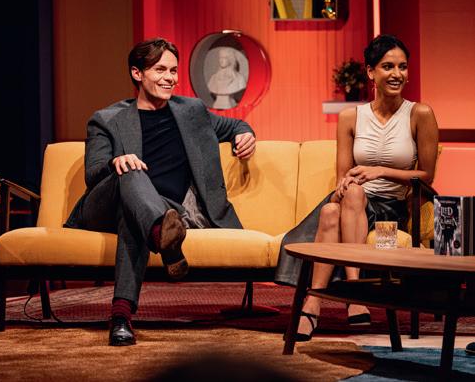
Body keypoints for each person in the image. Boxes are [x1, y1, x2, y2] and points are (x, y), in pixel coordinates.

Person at [64, 37, 256, 346]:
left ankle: (121, 316)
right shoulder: (107, 119)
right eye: (160, 70)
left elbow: (235, 127)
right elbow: (93, 174)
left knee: (134, 216)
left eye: (173, 70)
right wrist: (116, 162)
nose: (170, 78)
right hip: (104, 205)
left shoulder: (191, 111)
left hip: (163, 211)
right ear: (137, 73)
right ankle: (163, 238)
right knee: (131, 171)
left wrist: (245, 135)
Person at [275, 34, 439, 341]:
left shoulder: (420, 114)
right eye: (388, 66)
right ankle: (346, 296)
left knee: (335, 210)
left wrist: (381, 171)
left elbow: (426, 176)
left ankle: (318, 303)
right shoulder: (350, 117)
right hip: (356, 202)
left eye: (403, 66)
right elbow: (343, 174)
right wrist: (346, 183)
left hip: (391, 213)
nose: (397, 74)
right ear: (370, 72)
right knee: (338, 203)